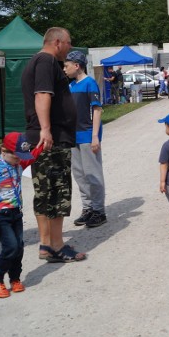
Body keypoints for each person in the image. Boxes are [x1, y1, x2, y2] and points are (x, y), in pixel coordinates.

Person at [21, 27, 86, 263]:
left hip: (42, 136)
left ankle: (47, 244)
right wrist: (46, 129)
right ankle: (57, 246)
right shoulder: (47, 61)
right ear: (57, 42)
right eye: (69, 43)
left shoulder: (37, 61)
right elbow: (42, 95)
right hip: (51, 138)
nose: (70, 48)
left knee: (44, 192)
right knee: (58, 192)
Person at [0, 132, 42, 298]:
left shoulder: (18, 163)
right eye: (17, 157)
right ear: (4, 150)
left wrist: (43, 143)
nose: (20, 160)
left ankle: (15, 278)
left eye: (22, 157)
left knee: (19, 247)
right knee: (10, 247)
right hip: (0, 215)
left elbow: (32, 157)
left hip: (16, 213)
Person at [64, 51, 107, 229]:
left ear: (77, 65)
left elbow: (96, 110)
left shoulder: (90, 83)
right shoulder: (71, 86)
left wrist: (95, 136)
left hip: (88, 135)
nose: (64, 69)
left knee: (93, 174)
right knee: (80, 175)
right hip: (73, 137)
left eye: (67, 65)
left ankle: (99, 211)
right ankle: (87, 207)